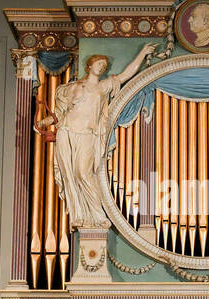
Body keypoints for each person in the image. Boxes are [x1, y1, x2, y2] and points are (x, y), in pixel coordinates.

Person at [34, 44, 156, 229]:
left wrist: (143, 53)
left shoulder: (103, 86)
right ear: (89, 66)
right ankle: (79, 216)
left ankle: (98, 215)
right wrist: (43, 123)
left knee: (84, 172)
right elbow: (59, 113)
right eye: (99, 63)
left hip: (87, 135)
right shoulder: (72, 87)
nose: (102, 67)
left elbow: (125, 75)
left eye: (104, 66)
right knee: (70, 175)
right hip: (67, 131)